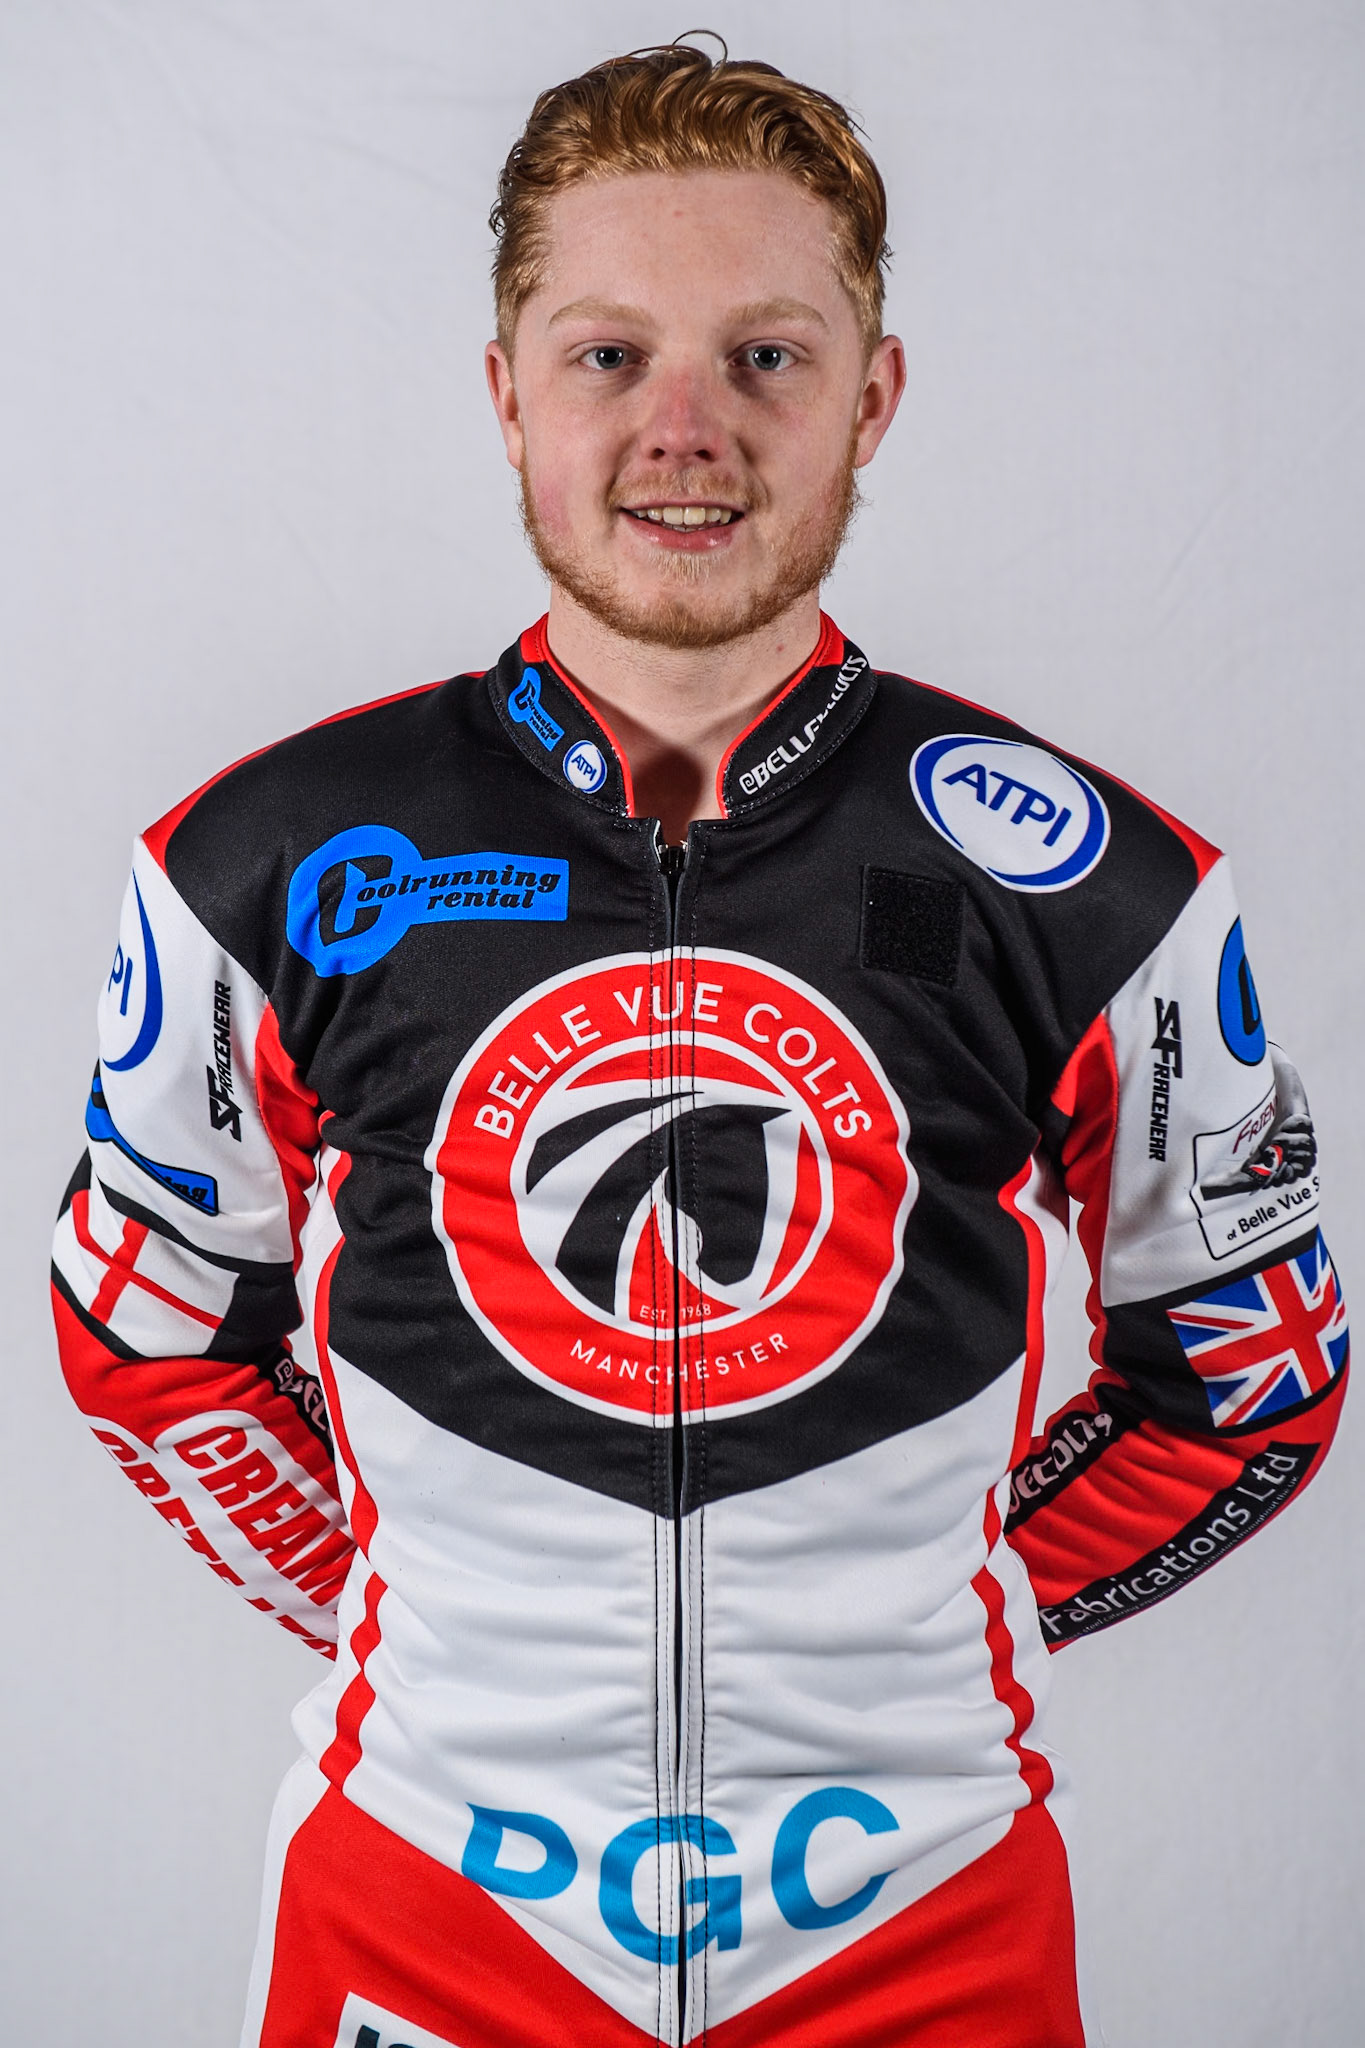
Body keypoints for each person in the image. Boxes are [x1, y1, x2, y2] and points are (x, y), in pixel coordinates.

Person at [51, 39, 1347, 2048]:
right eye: (602, 357)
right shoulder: (265, 856)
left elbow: (1249, 1375)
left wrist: (952, 1609)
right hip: (427, 1912)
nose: (683, 431)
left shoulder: (1091, 879)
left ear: (871, 394)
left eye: (763, 356)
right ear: (502, 392)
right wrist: (431, 1624)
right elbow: (145, 1341)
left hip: (918, 1926)